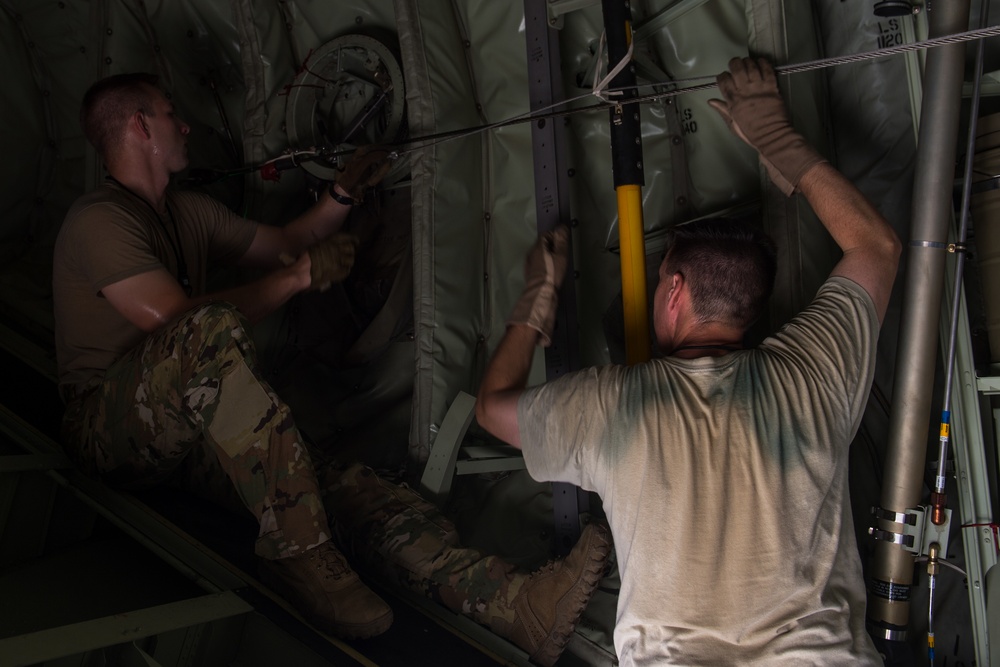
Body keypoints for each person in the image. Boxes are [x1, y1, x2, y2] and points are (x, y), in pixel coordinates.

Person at [53, 72, 611, 665]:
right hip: (106, 431)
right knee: (209, 331)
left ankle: (514, 603)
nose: (184, 124)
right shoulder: (99, 221)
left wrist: (342, 193)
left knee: (339, 488)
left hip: (188, 438)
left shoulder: (186, 212)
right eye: (170, 112)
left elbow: (289, 240)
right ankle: (298, 558)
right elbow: (174, 324)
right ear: (140, 126)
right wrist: (296, 279)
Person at [475, 56, 902, 665]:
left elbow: (493, 408)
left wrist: (536, 297)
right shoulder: (815, 372)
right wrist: (780, 144)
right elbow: (876, 247)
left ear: (673, 292)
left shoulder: (611, 405)